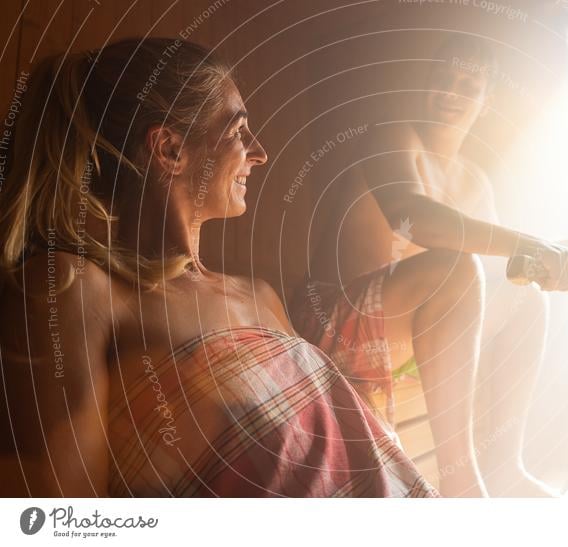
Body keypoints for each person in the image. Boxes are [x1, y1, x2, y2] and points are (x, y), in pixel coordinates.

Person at [0, 38, 437, 498]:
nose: (260, 153)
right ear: (169, 149)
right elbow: (66, 517)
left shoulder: (258, 297)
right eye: (238, 131)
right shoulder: (77, 290)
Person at [290, 35, 568, 497]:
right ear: (425, 86)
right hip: (333, 332)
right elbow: (412, 218)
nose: (451, 93)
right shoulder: (393, 138)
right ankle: (460, 481)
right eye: (442, 80)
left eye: (467, 84)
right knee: (456, 269)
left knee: (521, 293)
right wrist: (529, 243)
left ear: (485, 98)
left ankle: (505, 465)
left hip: (402, 338)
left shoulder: (473, 179)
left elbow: (509, 264)